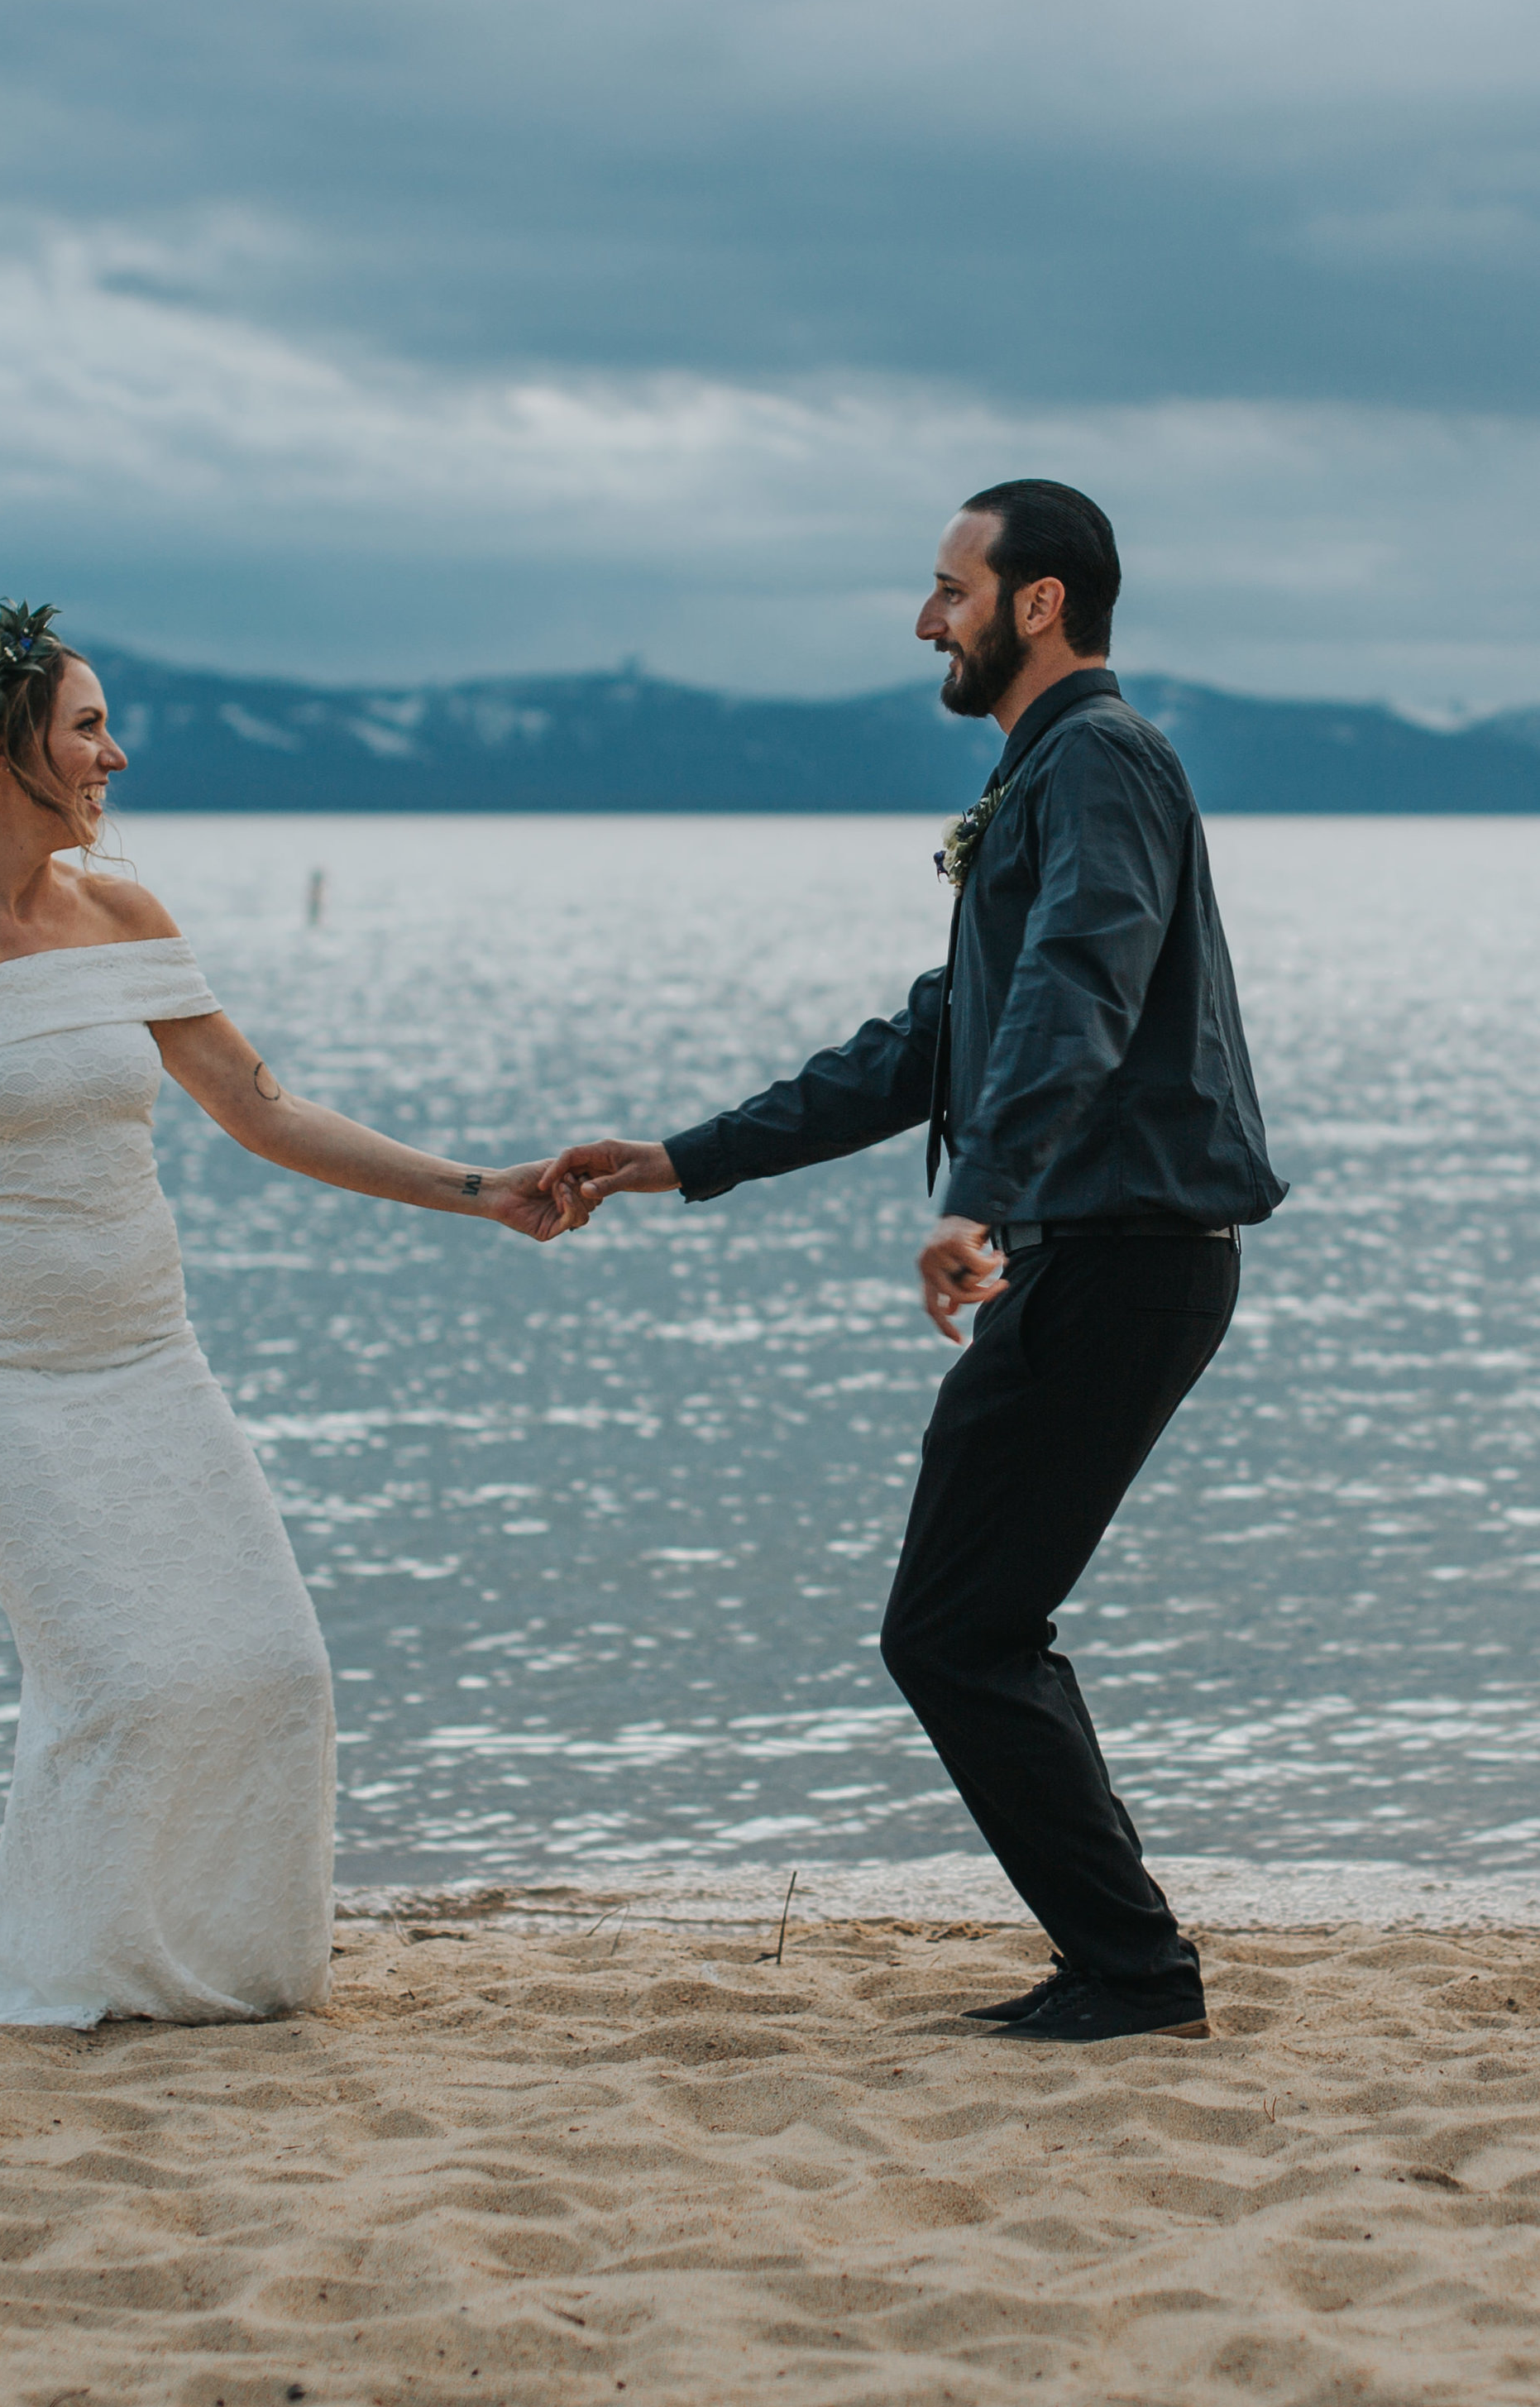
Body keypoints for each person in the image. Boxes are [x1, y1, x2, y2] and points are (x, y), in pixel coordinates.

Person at [543, 483, 1284, 2045]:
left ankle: (1137, 1974)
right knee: (965, 1621)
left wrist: (985, 1195)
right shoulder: (1051, 773)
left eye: (950, 590)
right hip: (1093, 1252)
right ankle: (1125, 1964)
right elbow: (933, 1037)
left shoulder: (1096, 761)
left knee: (957, 1626)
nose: (923, 619)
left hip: (1117, 1253)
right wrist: (683, 1154)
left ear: (1036, 604)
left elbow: (1079, 983)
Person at [0, 601, 581, 2029]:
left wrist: (485, 1188)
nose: (115, 755)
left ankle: (233, 1983)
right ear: (0, 746)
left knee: (274, 1664)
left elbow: (262, 1109)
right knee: (124, 1677)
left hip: (147, 1350)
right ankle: (70, 1988)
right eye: (88, 726)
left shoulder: (127, 919)